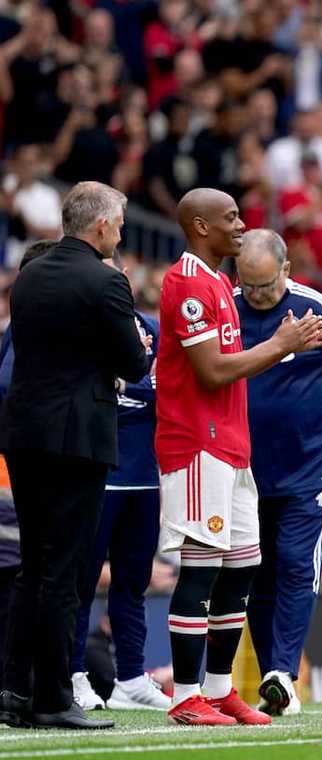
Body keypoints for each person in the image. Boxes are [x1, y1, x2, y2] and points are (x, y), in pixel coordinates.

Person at [157, 189, 322, 727]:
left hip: (233, 449)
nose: (240, 224)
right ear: (200, 226)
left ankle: (219, 689)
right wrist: (282, 344)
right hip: (197, 443)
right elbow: (211, 370)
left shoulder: (218, 285)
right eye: (230, 217)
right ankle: (185, 695)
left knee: (242, 568)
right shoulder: (187, 284)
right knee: (202, 569)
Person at [0, 182, 148, 731]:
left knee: (32, 566)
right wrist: (138, 350)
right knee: (64, 570)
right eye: (119, 224)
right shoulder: (107, 281)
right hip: (77, 438)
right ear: (102, 226)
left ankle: (14, 689)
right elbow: (134, 364)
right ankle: (55, 697)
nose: (121, 233)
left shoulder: (30, 273)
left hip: (25, 431)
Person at [234, 229, 322, 717]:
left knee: (293, 560)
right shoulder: (228, 304)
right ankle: (276, 678)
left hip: (308, 465)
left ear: (286, 270)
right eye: (249, 285)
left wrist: (309, 418)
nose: (258, 296)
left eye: (266, 285)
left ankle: (283, 669)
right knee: (254, 572)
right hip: (245, 466)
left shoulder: (317, 308)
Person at [68, 253, 169, 712]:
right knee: (80, 582)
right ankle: (72, 674)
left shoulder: (152, 327)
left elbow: (160, 390)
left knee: (133, 582)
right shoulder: (78, 328)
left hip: (144, 478)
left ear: (126, 277)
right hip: (96, 473)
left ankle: (131, 675)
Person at [0, 240, 58, 685]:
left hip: (16, 478)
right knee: (23, 579)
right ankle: (23, 683)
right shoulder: (28, 335)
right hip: (16, 485)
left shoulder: (17, 330)